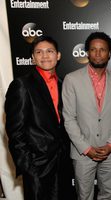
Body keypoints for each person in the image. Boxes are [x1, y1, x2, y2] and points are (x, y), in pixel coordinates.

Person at [62, 32, 111, 200]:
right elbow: (69, 118)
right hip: (83, 152)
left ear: (110, 53)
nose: (98, 54)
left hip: (109, 153)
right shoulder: (71, 80)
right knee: (84, 196)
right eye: (93, 49)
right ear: (87, 52)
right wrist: (86, 148)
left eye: (102, 49)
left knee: (108, 195)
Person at [5, 36, 70, 200]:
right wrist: (28, 167)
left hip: (62, 163)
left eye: (50, 51)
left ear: (58, 55)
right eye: (39, 52)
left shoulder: (65, 85)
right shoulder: (21, 85)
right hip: (37, 165)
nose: (45, 56)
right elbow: (15, 131)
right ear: (33, 58)